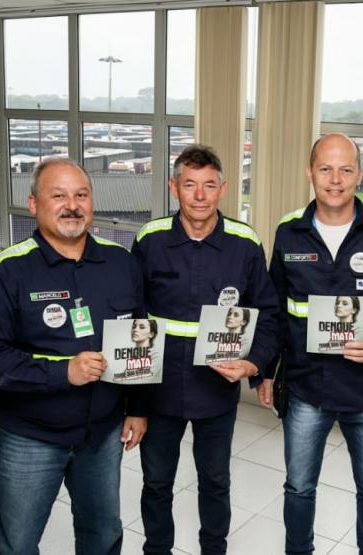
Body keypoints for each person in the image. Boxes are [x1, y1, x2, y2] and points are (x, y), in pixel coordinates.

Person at [0, 158, 148, 555]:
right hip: (27, 437)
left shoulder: (121, 262)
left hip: (101, 435)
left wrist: (137, 407)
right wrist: (62, 371)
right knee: (16, 543)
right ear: (33, 204)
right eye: (59, 195)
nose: (72, 205)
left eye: (81, 195)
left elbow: (138, 336)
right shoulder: (4, 271)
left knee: (102, 535)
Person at [266, 133, 363, 554]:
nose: (335, 180)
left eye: (346, 169)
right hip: (305, 389)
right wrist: (266, 372)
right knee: (299, 489)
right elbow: (274, 308)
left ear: (359, 175)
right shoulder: (288, 231)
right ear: (310, 173)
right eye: (325, 169)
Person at [132, 145, 278, 554]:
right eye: (190, 185)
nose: (199, 195)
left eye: (209, 185)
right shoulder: (150, 239)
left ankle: (214, 549)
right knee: (156, 483)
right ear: (173, 187)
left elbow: (268, 312)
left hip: (216, 392)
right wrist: (133, 401)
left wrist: (254, 363)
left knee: (215, 481)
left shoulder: (245, 243)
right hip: (158, 391)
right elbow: (131, 317)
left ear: (223, 189)